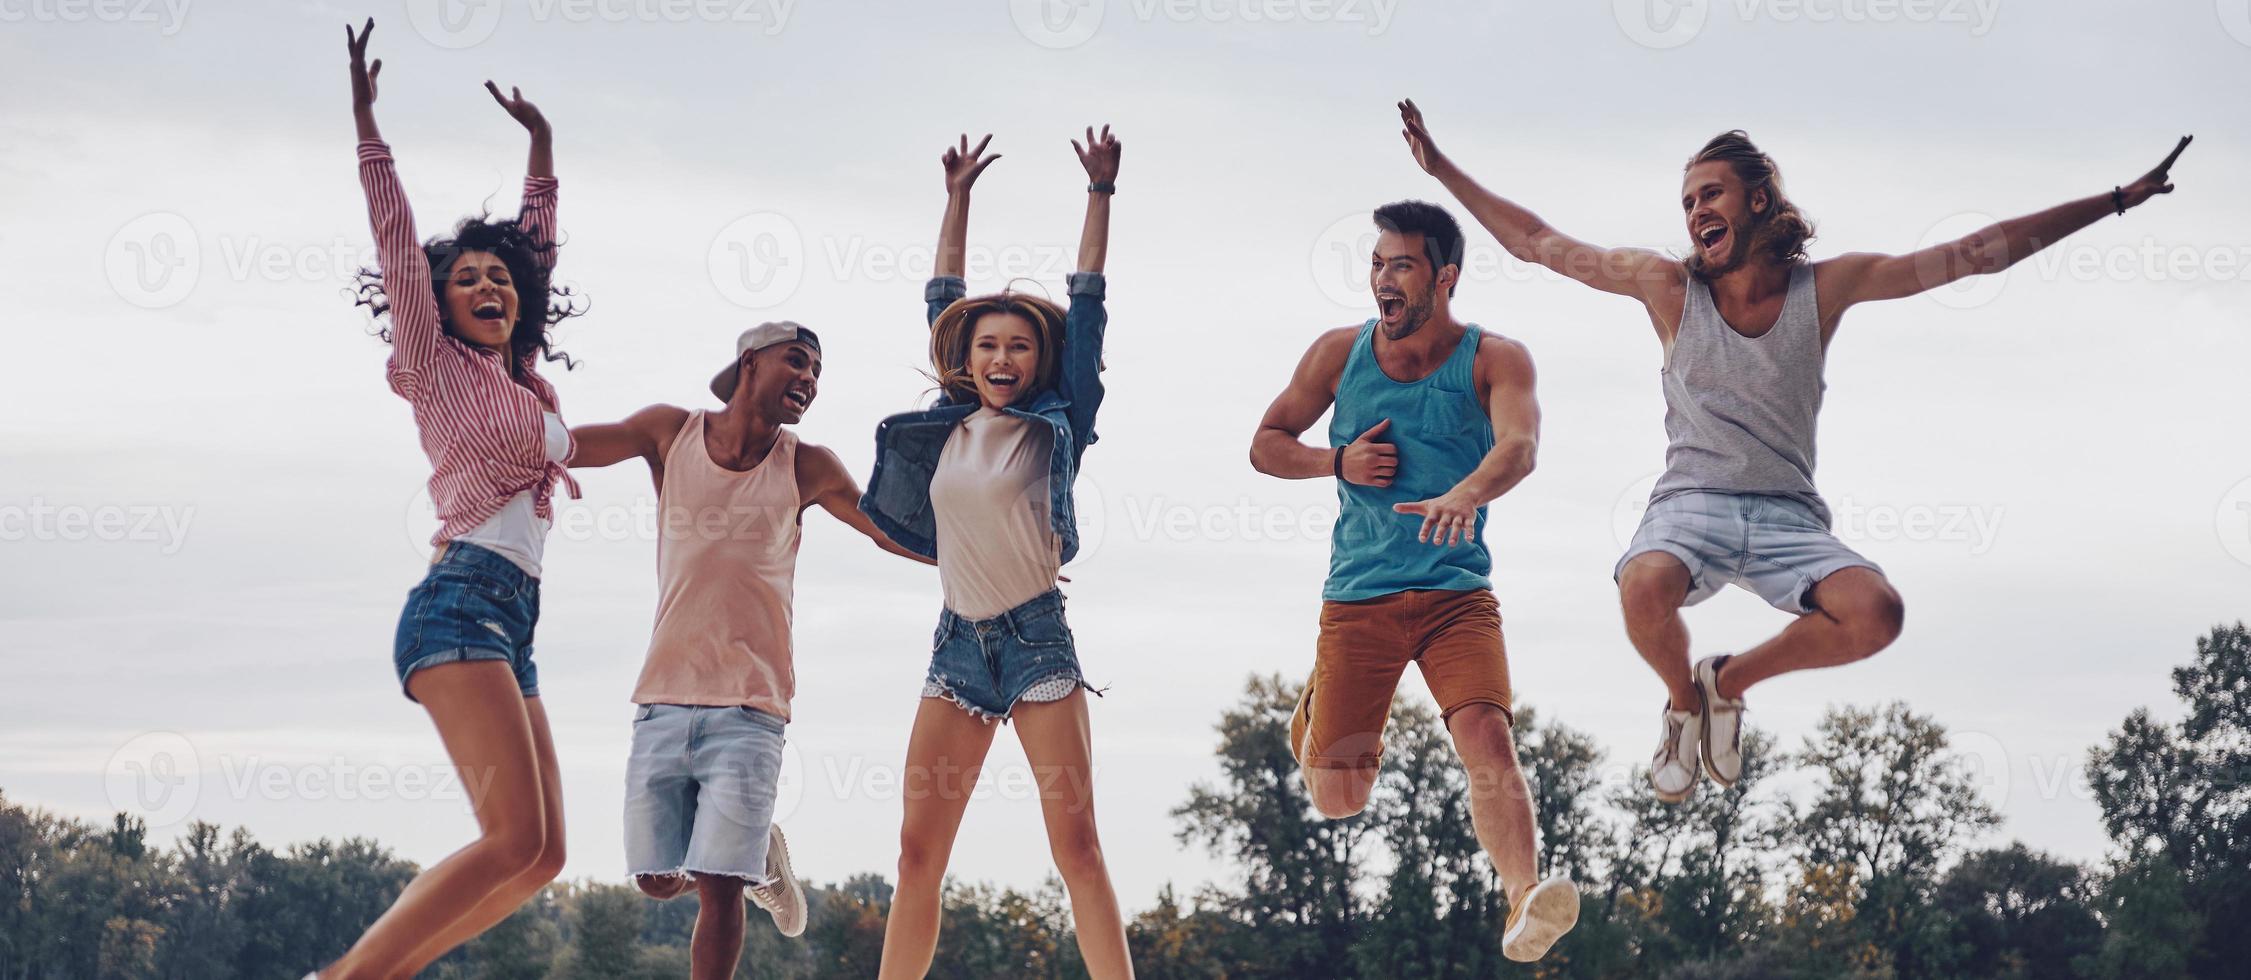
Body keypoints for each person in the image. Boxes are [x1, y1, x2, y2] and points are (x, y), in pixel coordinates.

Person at [1397, 98, 2192, 803]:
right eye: (1684, 202)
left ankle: (1725, 682)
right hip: (1690, 505)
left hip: (1787, 513)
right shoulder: (1667, 287)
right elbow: (1539, 242)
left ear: (1757, 198)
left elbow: (1976, 253)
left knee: (1876, 614)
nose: (1693, 211)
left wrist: (2117, 200)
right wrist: (1444, 170)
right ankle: (1682, 702)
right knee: (1642, 585)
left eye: (1709, 194)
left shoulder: (1829, 287)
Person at [314, 19, 579, 979]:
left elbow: (537, 249)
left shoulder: (523, 377)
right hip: (460, 603)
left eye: (497, 277)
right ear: (440, 301)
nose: (486, 284)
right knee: (511, 839)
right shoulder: (434, 364)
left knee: (544, 856)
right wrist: (366, 126)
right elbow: (393, 239)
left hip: (512, 620)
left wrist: (541, 149)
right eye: (464, 278)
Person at [1251, 199, 1582, 962]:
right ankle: (1312, 708)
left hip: (1455, 596)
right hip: (1358, 599)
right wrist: (1334, 462)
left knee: (1488, 737)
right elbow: (1265, 444)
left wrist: (1463, 493)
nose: (1382, 280)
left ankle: (1521, 900)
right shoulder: (1338, 354)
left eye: (1400, 264)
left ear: (1444, 277)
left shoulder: (1496, 358)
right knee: (1340, 801)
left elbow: (1519, 448)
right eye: (1376, 264)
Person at [568, 322, 929, 979]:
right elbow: (570, 446)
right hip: (662, 697)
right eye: (797, 362)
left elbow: (881, 527)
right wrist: (493, 415)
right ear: (749, 363)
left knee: (715, 881)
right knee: (653, 877)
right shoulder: (667, 431)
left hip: (750, 704)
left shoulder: (807, 464)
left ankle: (737, 863)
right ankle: (757, 853)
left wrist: (982, 555)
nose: (809, 380)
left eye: (817, 371)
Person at [859, 128, 1135, 979]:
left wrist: (1099, 194)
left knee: (1076, 846)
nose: (1002, 356)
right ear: (967, 359)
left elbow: (1085, 308)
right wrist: (956, 197)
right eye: (987, 346)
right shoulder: (948, 422)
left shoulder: (1058, 422)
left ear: (1037, 359)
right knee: (915, 854)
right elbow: (943, 296)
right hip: (955, 647)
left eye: (1017, 345)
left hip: (1035, 642)